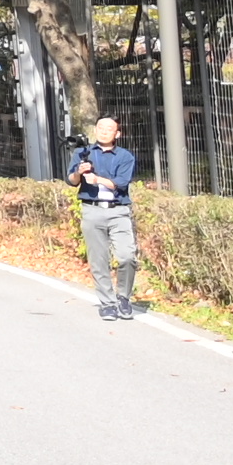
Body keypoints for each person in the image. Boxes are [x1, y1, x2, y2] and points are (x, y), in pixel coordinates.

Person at [66, 113, 142, 321]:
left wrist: (97, 178)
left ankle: (124, 297)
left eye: (109, 128)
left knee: (127, 256)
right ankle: (108, 303)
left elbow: (121, 183)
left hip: (118, 210)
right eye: (100, 127)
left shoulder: (125, 156)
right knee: (99, 259)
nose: (104, 131)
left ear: (117, 133)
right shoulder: (83, 152)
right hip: (92, 210)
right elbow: (71, 181)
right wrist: (79, 173)